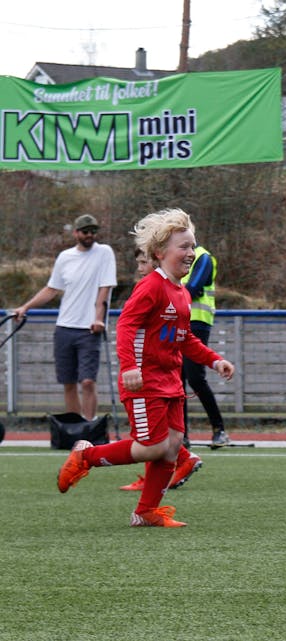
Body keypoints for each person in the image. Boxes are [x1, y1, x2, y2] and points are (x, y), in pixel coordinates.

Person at [56, 208, 235, 527]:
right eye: (184, 247)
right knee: (152, 447)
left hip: (171, 383)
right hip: (144, 382)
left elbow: (184, 339)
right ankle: (87, 456)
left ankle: (145, 511)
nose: (191, 253)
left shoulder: (181, 292)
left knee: (172, 447)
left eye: (193, 246)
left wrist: (214, 359)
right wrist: (129, 367)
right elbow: (126, 324)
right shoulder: (151, 286)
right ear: (159, 252)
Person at [13, 214, 117, 420]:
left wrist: (98, 319)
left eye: (93, 231)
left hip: (89, 329)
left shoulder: (104, 253)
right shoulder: (65, 257)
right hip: (64, 327)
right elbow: (51, 289)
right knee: (68, 382)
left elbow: (103, 290)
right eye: (85, 231)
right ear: (76, 233)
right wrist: (25, 306)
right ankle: (74, 427)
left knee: (87, 381)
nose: (90, 235)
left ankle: (89, 427)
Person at [118, 247, 204, 493]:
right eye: (138, 263)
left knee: (153, 440)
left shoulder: (162, 288)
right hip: (157, 374)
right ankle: (148, 505)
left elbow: (126, 324)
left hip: (152, 376)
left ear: (157, 259)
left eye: (144, 262)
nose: (141, 268)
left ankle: (87, 456)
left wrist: (130, 366)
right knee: (160, 436)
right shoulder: (158, 287)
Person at [181, 243, 230, 449]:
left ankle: (219, 429)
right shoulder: (176, 256)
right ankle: (181, 434)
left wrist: (168, 298)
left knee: (195, 378)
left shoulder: (203, 257)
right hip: (178, 320)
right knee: (177, 379)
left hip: (198, 322)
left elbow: (192, 288)